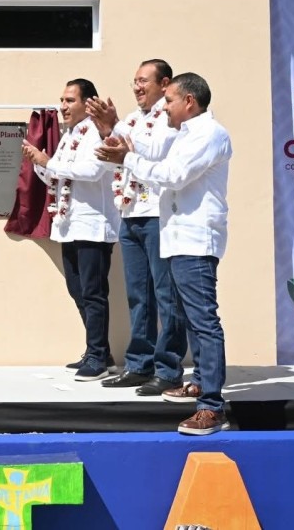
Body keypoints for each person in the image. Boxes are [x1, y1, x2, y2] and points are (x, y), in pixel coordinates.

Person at [95, 72, 232, 435]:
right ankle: (200, 384)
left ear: (189, 101)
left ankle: (212, 407)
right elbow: (156, 160)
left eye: (169, 100)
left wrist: (128, 158)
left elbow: (173, 175)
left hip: (195, 239)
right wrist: (121, 144)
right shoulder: (186, 133)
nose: (165, 107)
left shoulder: (209, 133)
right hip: (178, 239)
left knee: (203, 321)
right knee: (190, 317)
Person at [88, 60, 189, 396]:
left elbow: (156, 152)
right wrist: (106, 134)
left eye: (143, 81)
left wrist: (116, 127)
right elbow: (111, 161)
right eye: (134, 81)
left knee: (166, 295)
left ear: (164, 83)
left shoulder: (171, 117)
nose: (136, 87)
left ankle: (169, 370)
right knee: (138, 295)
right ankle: (139, 364)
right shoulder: (133, 119)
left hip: (159, 214)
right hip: (130, 213)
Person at [22, 78, 121, 381]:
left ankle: (98, 358)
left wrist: (48, 162)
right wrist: (40, 164)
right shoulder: (70, 135)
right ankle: (99, 353)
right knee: (78, 291)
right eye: (62, 100)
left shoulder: (98, 132)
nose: (63, 106)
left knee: (93, 293)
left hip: (92, 225)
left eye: (69, 100)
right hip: (69, 225)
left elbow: (93, 171)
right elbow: (58, 177)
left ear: (88, 103)